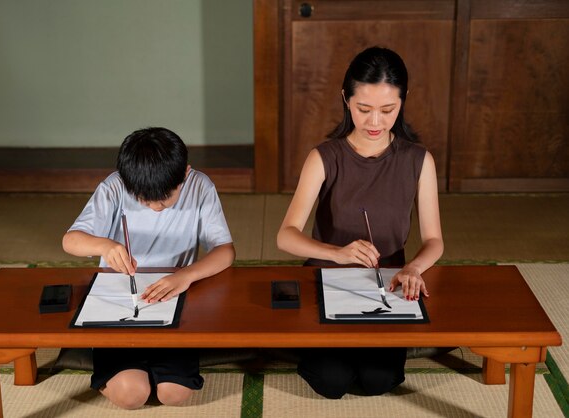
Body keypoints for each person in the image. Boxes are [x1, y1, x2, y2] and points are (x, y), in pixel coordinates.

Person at [276, 46, 444, 399]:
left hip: (390, 283)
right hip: (329, 279)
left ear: (403, 101)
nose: (375, 122)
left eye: (388, 110)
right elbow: (286, 237)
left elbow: (434, 240)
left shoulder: (418, 160)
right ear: (345, 99)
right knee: (332, 382)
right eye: (363, 109)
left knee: (378, 381)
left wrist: (414, 267)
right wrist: (337, 253)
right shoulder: (324, 156)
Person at [62, 127, 235, 409]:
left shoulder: (200, 185)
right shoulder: (115, 186)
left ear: (185, 174)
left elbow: (225, 252)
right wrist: (105, 246)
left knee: (174, 393)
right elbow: (70, 240)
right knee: (132, 395)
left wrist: (186, 275)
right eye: (145, 199)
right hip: (119, 298)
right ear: (128, 182)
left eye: (165, 198)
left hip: (173, 294)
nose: (155, 206)